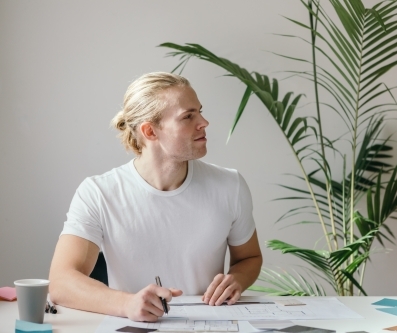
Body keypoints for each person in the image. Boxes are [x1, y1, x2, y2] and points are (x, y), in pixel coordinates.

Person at [48, 72, 263, 322]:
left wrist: (236, 278)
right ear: (150, 131)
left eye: (200, 112)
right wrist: (127, 304)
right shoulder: (98, 193)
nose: (204, 122)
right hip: (132, 327)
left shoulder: (230, 186)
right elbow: (62, 281)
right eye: (188, 116)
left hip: (208, 325)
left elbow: (249, 257)